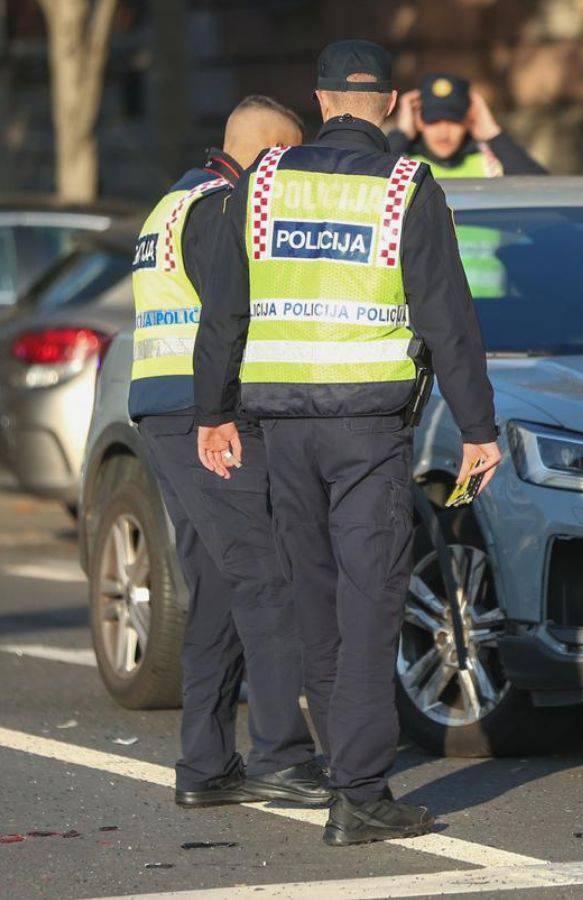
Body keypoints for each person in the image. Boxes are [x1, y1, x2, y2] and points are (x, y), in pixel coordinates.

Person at [192, 39, 502, 846]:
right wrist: (478, 428)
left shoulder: (260, 184)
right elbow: (449, 319)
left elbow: (224, 309)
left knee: (318, 607)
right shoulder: (407, 187)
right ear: (392, 103)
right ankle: (359, 794)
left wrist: (211, 414)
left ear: (322, 100)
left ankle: (346, 776)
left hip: (280, 432)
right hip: (366, 433)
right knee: (369, 609)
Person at [131, 96, 332, 811]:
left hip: (162, 409)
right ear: (269, 152)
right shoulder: (226, 209)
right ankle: (280, 754)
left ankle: (207, 764)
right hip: (206, 416)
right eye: (291, 156)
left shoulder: (174, 202)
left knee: (217, 588)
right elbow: (230, 318)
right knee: (266, 579)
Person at [388, 73, 545, 179]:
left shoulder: (489, 164)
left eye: (453, 121)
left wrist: (493, 134)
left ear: (468, 120)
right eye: (433, 121)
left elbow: (543, 191)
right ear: (418, 121)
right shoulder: (403, 166)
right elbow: (367, 181)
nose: (444, 133)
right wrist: (402, 134)